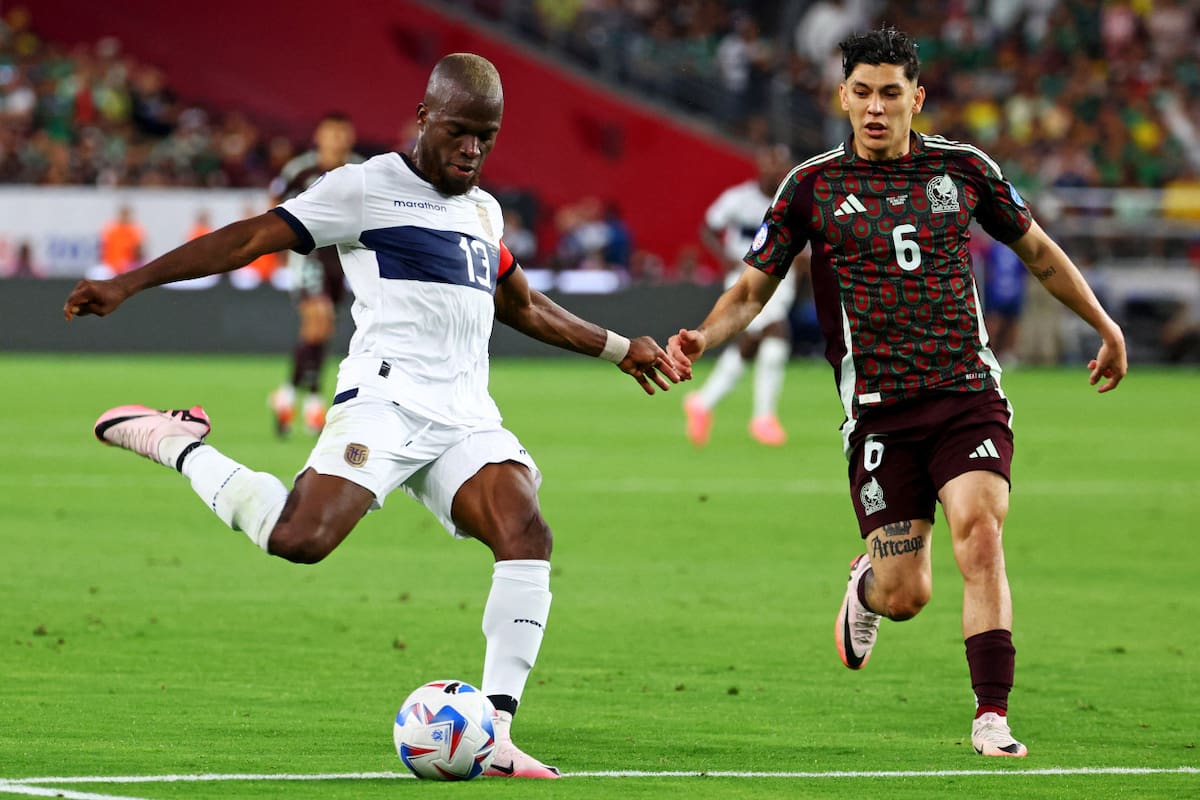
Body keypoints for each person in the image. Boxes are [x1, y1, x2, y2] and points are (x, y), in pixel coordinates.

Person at [64, 52, 686, 779]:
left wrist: (617, 348)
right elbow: (245, 239)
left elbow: (519, 305)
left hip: (464, 415)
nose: (472, 150)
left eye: (486, 136)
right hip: (385, 402)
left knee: (527, 532)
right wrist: (128, 284)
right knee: (299, 539)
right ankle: (179, 443)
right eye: (459, 132)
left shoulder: (483, 209)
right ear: (424, 117)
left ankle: (496, 734)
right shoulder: (363, 189)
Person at [668, 27, 1127, 758]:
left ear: (916, 97)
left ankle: (991, 715)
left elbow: (1037, 251)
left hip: (966, 391)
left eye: (890, 94)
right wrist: (702, 336)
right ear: (841, 96)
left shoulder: (964, 169)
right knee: (908, 593)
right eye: (862, 93)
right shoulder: (812, 187)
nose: (875, 108)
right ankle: (867, 587)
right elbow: (753, 286)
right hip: (879, 412)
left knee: (980, 529)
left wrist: (1105, 326)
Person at [685, 142, 801, 447]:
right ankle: (763, 418)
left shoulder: (792, 202)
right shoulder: (738, 198)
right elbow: (708, 226)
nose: (775, 170)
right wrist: (724, 256)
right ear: (760, 165)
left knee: (751, 342)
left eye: (780, 164)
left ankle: (702, 403)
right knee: (776, 332)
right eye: (770, 163)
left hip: (780, 278)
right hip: (744, 278)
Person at [267, 112, 364, 437]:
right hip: (307, 255)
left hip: (343, 260)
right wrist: (280, 247)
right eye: (331, 132)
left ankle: (290, 394)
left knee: (322, 331)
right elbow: (274, 203)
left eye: (342, 132)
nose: (337, 139)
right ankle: (311, 403)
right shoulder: (301, 170)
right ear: (319, 136)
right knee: (318, 317)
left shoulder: (361, 171)